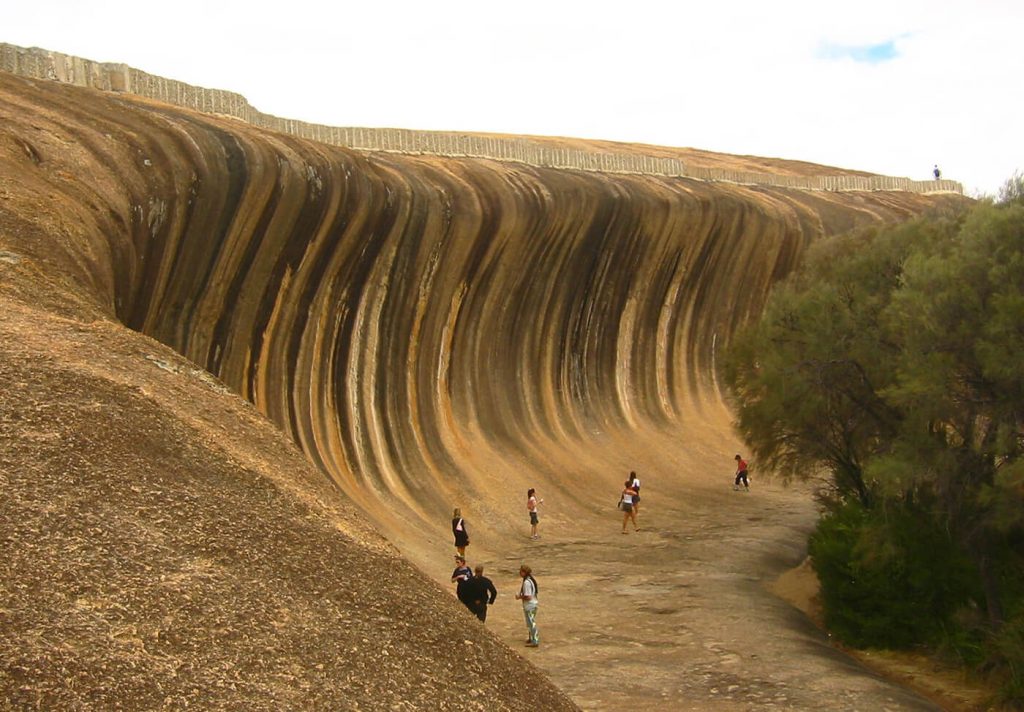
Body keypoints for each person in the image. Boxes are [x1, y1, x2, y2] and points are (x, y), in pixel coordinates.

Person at [515, 564, 540, 647]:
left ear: (524, 572)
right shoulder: (531, 580)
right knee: (530, 623)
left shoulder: (526, 582)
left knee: (531, 623)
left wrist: (519, 597)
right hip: (533, 604)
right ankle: (532, 638)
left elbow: (528, 596)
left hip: (530, 605)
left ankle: (535, 640)